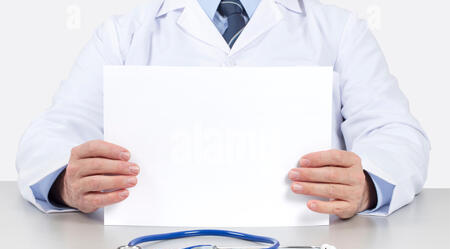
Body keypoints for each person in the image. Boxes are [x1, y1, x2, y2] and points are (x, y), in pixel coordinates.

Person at [16, 0, 430, 219]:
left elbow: (397, 135)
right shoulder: (123, 34)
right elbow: (53, 132)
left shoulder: (340, 31)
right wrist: (66, 184)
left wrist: (367, 186)